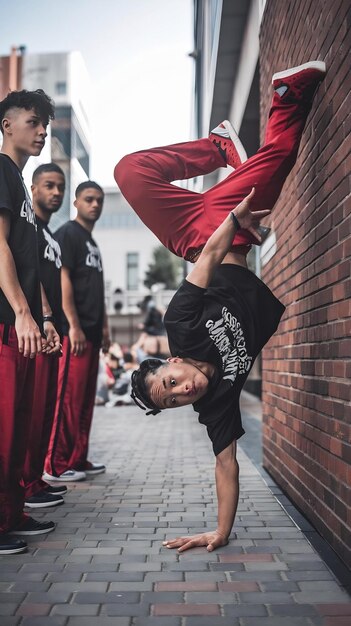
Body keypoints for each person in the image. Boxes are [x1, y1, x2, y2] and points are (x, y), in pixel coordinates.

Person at [114, 61, 326, 553]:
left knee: (129, 171)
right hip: (228, 230)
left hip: (205, 236)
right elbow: (226, 464)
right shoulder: (217, 403)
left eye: (171, 384)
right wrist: (220, 532)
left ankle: (220, 145)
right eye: (174, 400)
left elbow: (209, 255)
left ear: (173, 362)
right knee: (279, 154)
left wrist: (234, 216)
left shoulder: (180, 326)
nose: (184, 390)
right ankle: (283, 99)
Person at [0, 89, 61, 555]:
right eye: (34, 121)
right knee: (3, 431)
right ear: (7, 125)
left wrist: (41, 315)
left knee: (19, 426)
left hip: (21, 323)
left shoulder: (18, 184)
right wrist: (21, 311)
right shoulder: (0, 169)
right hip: (4, 322)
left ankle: (11, 514)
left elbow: (29, 261)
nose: (43, 131)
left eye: (46, 124)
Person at [44, 181, 110, 482]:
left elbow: (96, 288)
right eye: (88, 199)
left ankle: (77, 458)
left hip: (93, 333)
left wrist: (106, 326)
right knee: (67, 400)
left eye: (98, 200)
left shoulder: (91, 242)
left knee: (85, 400)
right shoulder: (68, 234)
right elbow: (62, 279)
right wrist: (73, 325)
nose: (94, 205)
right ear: (76, 203)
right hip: (75, 333)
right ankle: (56, 465)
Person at [23, 163, 67, 509]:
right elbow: (31, 277)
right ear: (34, 188)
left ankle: (35, 480)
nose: (56, 193)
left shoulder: (49, 233)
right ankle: (24, 485)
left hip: (54, 332)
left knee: (45, 412)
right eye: (49, 186)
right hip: (36, 331)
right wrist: (47, 317)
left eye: (60, 187)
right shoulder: (29, 228)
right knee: (32, 412)